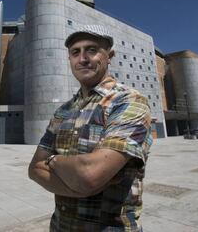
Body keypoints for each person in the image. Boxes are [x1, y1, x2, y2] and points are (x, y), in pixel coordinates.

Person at [28, 24, 152, 232]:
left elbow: (89, 174)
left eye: (92, 50)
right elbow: (34, 169)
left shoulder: (129, 101)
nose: (83, 58)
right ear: (69, 59)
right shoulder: (63, 111)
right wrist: (80, 188)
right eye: (75, 52)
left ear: (109, 55)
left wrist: (52, 161)